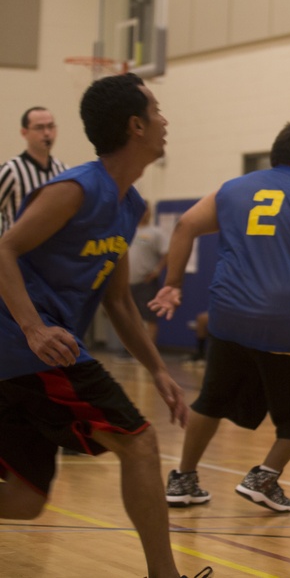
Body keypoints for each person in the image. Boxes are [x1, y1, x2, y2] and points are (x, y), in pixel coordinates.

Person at [0, 74, 210, 578]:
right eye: (157, 111)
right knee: (138, 442)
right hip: (26, 346)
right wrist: (32, 328)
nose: (165, 121)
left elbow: (117, 300)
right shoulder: (75, 189)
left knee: (26, 500)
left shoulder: (129, 205)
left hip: (28, 357)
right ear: (136, 125)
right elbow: (3, 249)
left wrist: (158, 369)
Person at [149, 121, 290, 514]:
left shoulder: (232, 189)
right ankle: (265, 476)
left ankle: (183, 478)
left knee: (212, 398)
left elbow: (185, 226)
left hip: (229, 316)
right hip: (288, 320)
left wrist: (173, 284)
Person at [0, 106, 69, 236]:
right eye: (39, 128)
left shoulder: (63, 171)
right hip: (16, 253)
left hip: (51, 253)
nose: (47, 133)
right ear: (24, 133)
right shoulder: (11, 170)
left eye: (50, 126)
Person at [128, 204, 167, 343]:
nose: (144, 212)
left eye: (147, 210)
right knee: (130, 318)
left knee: (149, 317)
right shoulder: (128, 230)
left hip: (146, 283)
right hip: (127, 283)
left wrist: (157, 270)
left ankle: (149, 352)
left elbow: (167, 253)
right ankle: (131, 351)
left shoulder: (156, 233)